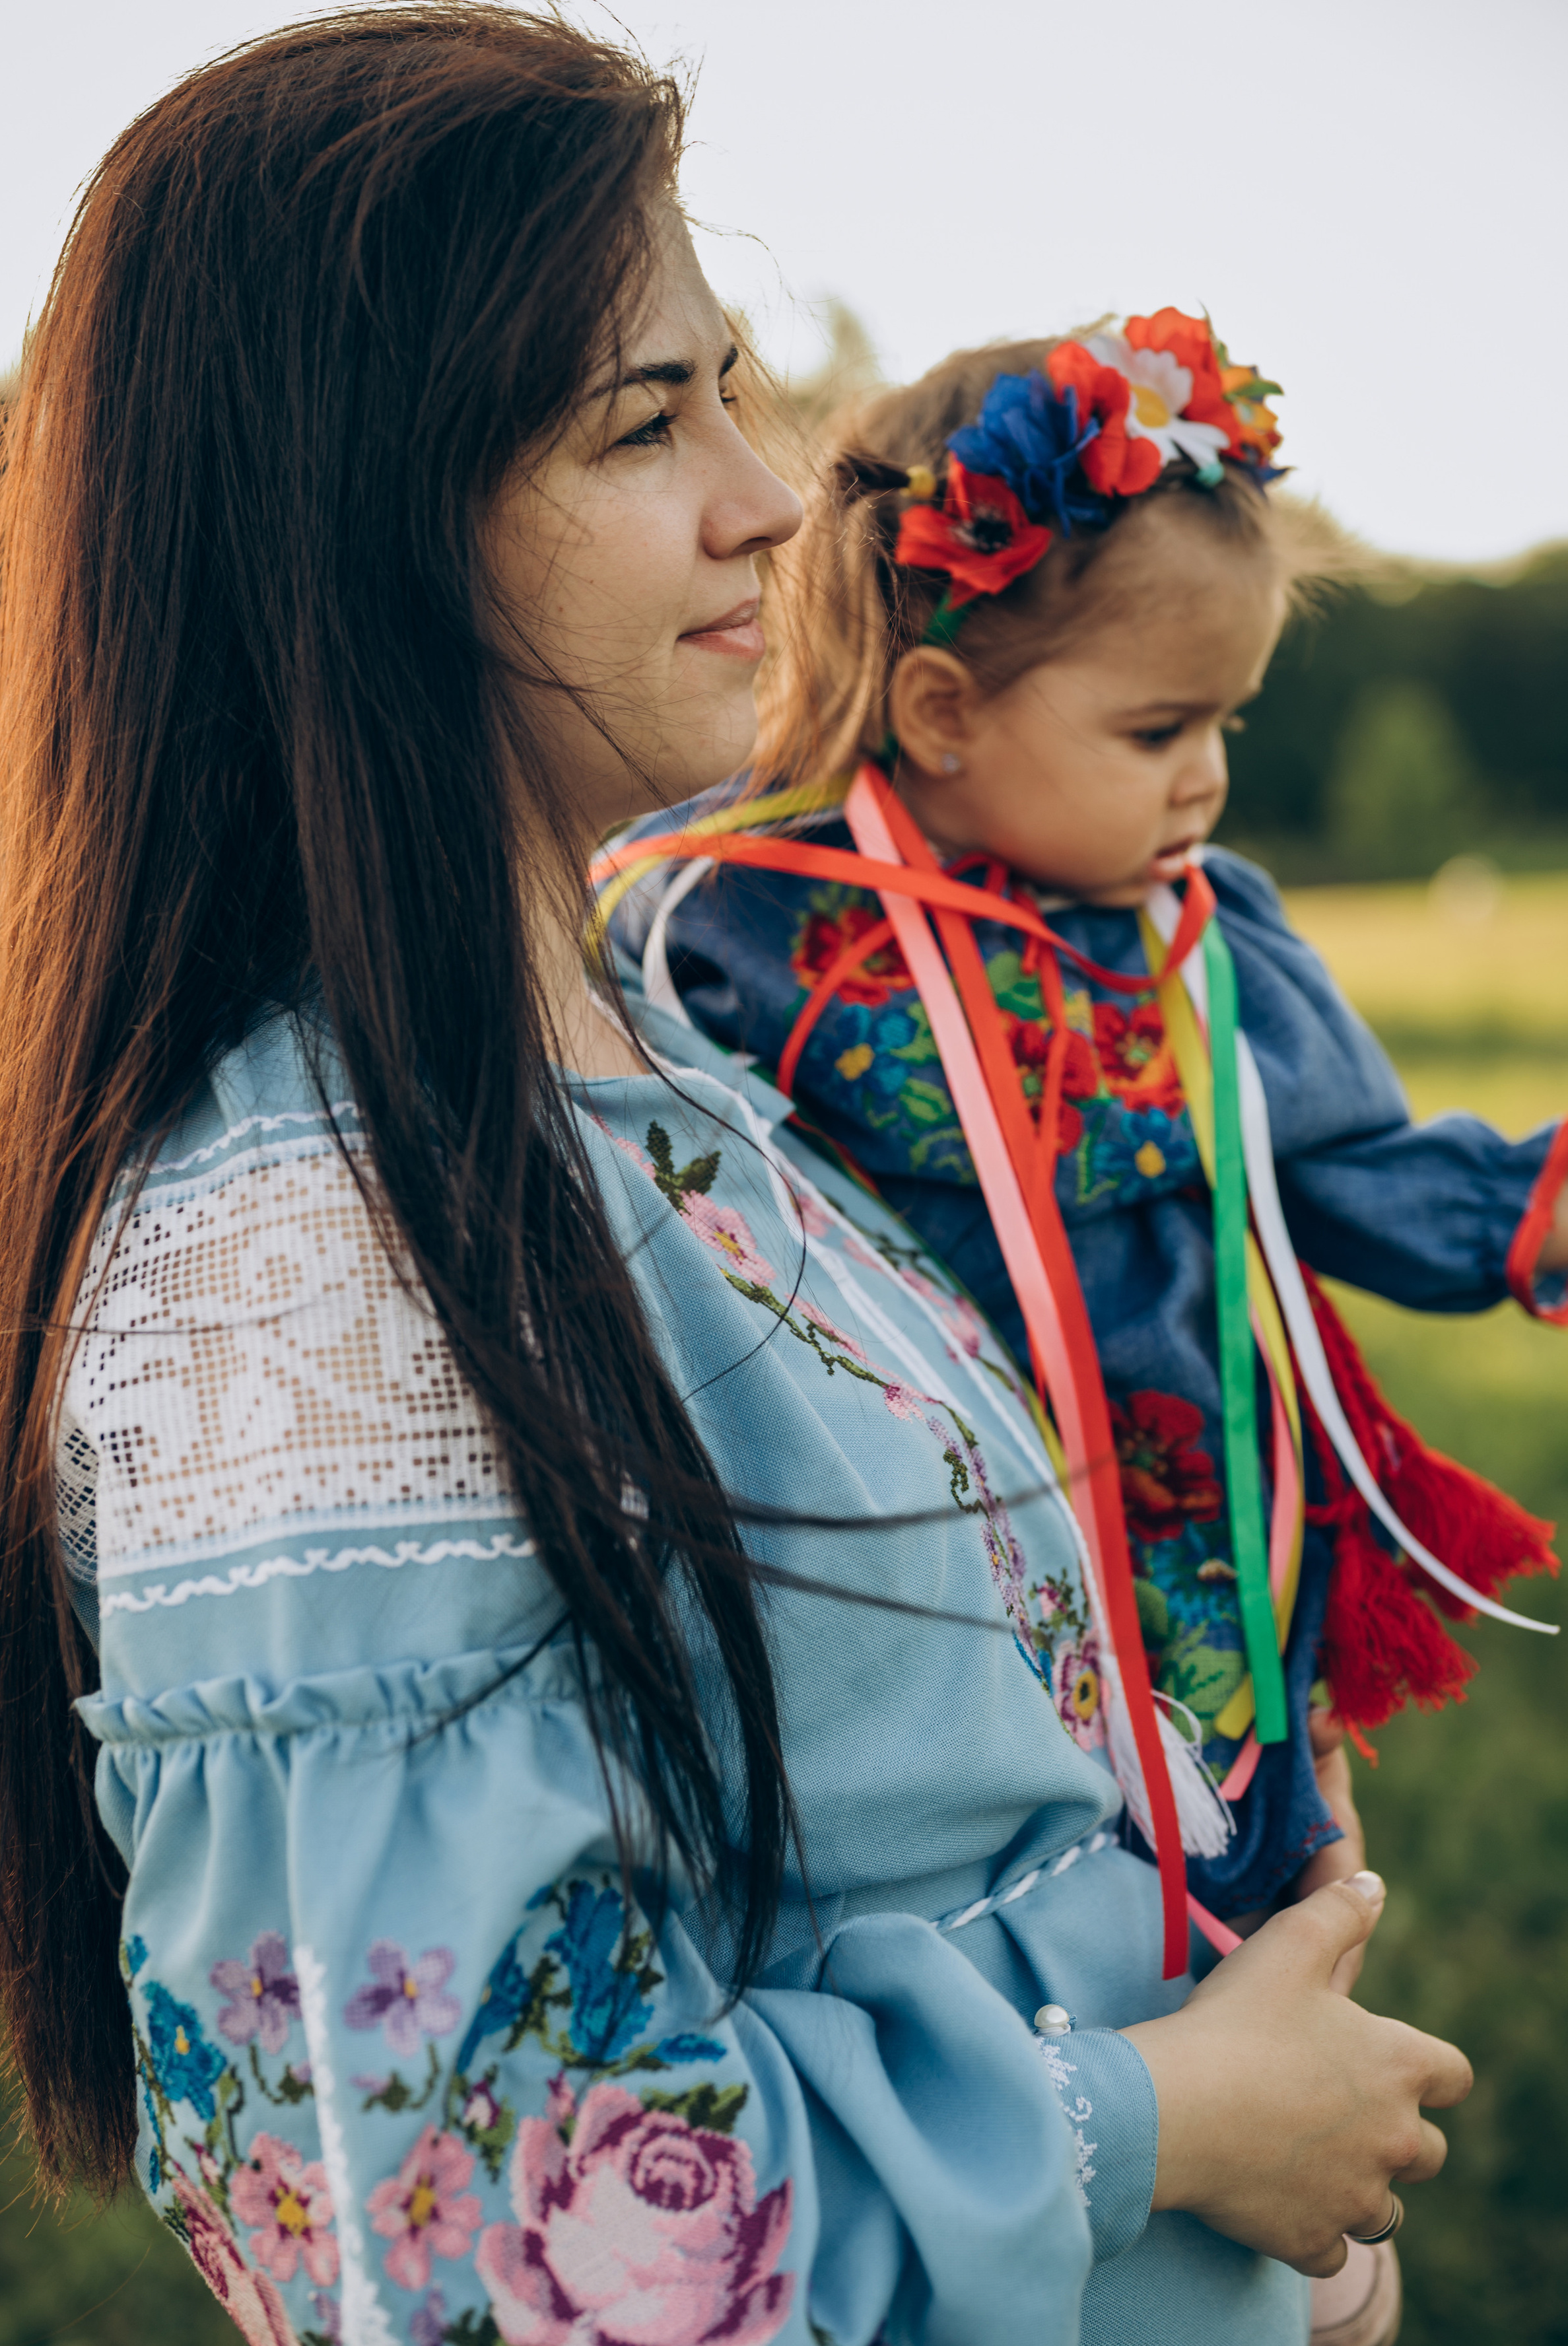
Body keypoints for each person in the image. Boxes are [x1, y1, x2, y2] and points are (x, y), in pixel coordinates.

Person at [0, 19, 1471, 2346]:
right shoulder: (320, 1269)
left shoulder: (647, 1059)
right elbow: (495, 2329)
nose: (771, 499)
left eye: (733, 391)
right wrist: (1165, 2123)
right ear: (355, 520)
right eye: (643, 424)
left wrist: (1233, 2199)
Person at [603, 316, 1567, 1944]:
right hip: (897, 1558)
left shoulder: (1204, 944)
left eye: (1224, 728)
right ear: (939, 706)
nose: (1201, 781)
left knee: (1234, 1887)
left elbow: (1335, 1174)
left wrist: (1525, 1214)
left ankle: (1256, 2123)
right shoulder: (736, 917)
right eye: (1153, 731)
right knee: (961, 1917)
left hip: (1186, 1538)